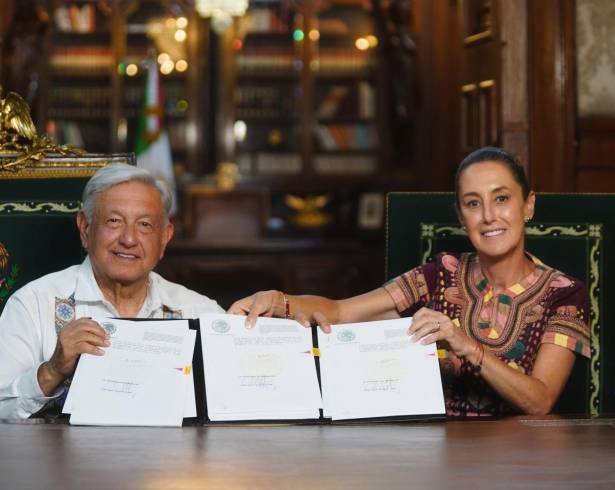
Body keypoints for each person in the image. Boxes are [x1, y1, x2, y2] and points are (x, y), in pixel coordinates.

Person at [229, 147, 590, 417]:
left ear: (528, 205)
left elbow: (540, 401)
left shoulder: (564, 294)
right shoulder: (440, 274)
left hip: (523, 465)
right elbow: (340, 312)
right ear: (460, 216)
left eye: (502, 199)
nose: (489, 216)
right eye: (473, 203)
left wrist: (463, 343)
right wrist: (278, 301)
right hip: (432, 455)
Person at [0, 163, 223, 419]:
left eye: (145, 225)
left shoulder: (199, 312)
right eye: (114, 221)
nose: (129, 239)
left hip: (169, 458)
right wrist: (52, 370)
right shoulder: (33, 304)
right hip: (63, 459)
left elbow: (237, 400)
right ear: (85, 228)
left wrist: (270, 319)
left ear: (165, 237)